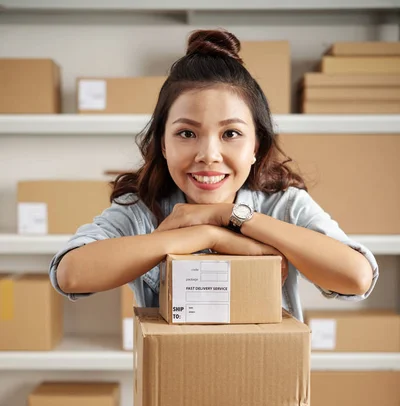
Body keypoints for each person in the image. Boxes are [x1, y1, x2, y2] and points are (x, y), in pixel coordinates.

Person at [49, 29, 378, 322]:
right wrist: (207, 236)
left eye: (231, 134)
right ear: (162, 144)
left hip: (270, 386)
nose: (208, 155)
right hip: (171, 386)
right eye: (187, 134)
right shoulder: (142, 210)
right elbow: (71, 274)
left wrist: (230, 216)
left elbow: (356, 277)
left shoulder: (285, 206)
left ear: (256, 146)